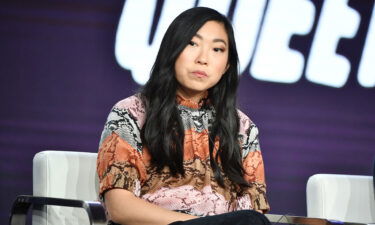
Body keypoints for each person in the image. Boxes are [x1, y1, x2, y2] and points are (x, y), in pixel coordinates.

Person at [96, 7, 270, 225]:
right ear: (172, 50)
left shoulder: (242, 127)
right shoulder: (131, 113)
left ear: (226, 66)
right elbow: (120, 208)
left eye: (217, 49)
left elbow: (254, 211)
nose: (203, 59)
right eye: (192, 43)